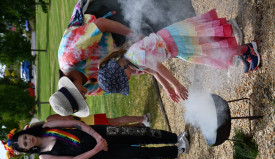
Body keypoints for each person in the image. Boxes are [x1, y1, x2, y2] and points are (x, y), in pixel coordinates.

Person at [97, 9, 261, 102]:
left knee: (208, 48)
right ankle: (242, 51)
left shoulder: (134, 57)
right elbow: (154, 72)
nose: (128, 80)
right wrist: (168, 88)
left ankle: (248, 50)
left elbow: (159, 67)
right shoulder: (132, 64)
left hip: (175, 40)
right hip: (175, 48)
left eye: (124, 79)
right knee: (207, 48)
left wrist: (177, 85)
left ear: (119, 69)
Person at [58, 0, 197, 96]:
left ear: (71, 84)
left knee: (149, 9)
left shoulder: (69, 56)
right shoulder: (87, 89)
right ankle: (191, 19)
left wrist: (133, 33)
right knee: (161, 35)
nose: (84, 98)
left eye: (78, 97)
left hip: (107, 13)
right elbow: (118, 72)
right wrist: (136, 68)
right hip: (120, 42)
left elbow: (101, 24)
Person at [5, 120, 190, 159]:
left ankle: (175, 138)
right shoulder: (45, 156)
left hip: (98, 132)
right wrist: (97, 147)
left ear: (26, 132)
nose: (27, 140)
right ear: (27, 149)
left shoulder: (46, 126)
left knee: (141, 133)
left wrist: (95, 135)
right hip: (100, 153)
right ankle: (177, 150)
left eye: (25, 137)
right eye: (25, 143)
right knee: (141, 154)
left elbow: (73, 123)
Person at [46, 113, 151, 127]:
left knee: (115, 122)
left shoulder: (49, 120)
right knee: (116, 130)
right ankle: (140, 126)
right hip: (88, 129)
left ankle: (143, 118)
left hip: (89, 122)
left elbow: (69, 118)